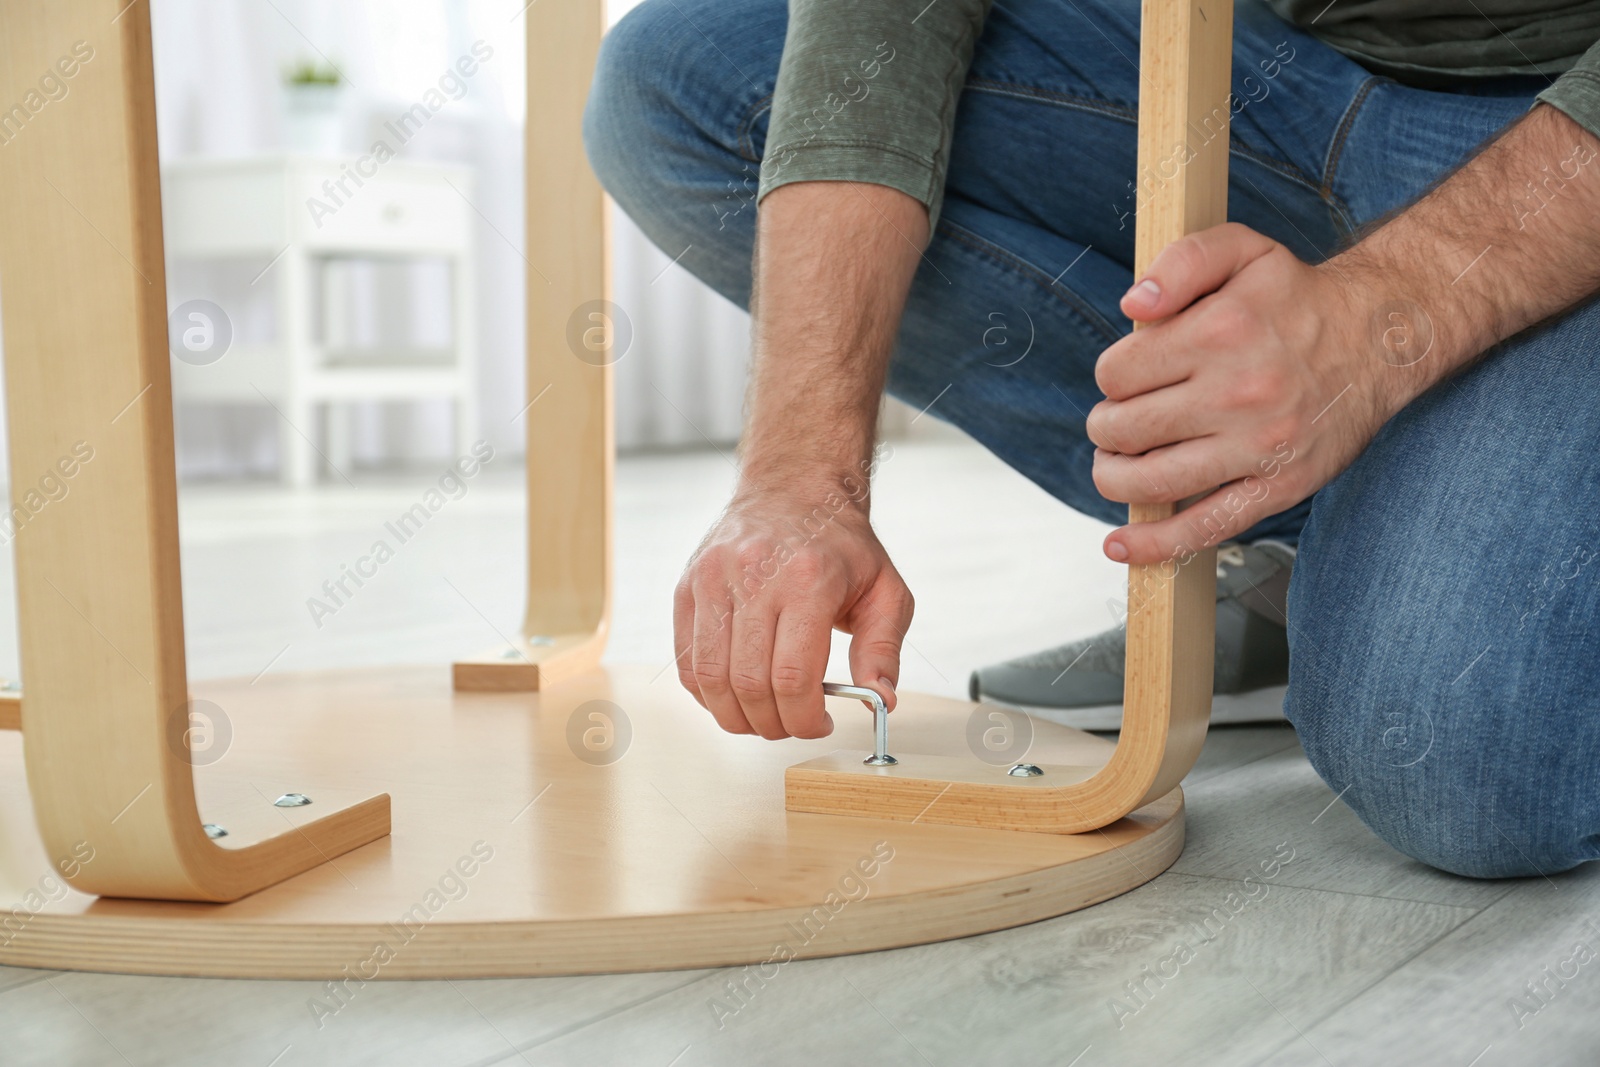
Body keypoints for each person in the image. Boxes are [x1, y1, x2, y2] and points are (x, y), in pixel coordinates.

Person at [583, 0, 1600, 879]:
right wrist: (798, 473)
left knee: (1455, 765)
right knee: (679, 86)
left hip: (1570, 124)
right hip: (1289, 65)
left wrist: (1385, 315)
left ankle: (1431, 541)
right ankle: (1313, 545)